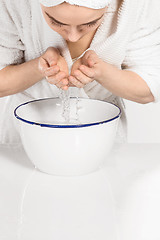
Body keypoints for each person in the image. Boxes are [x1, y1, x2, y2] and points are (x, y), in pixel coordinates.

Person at [0, 0, 160, 145]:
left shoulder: (138, 6)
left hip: (103, 141)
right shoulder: (15, 4)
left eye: (90, 23)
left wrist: (102, 73)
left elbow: (150, 88)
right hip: (23, 140)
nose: (73, 37)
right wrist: (39, 68)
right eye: (55, 22)